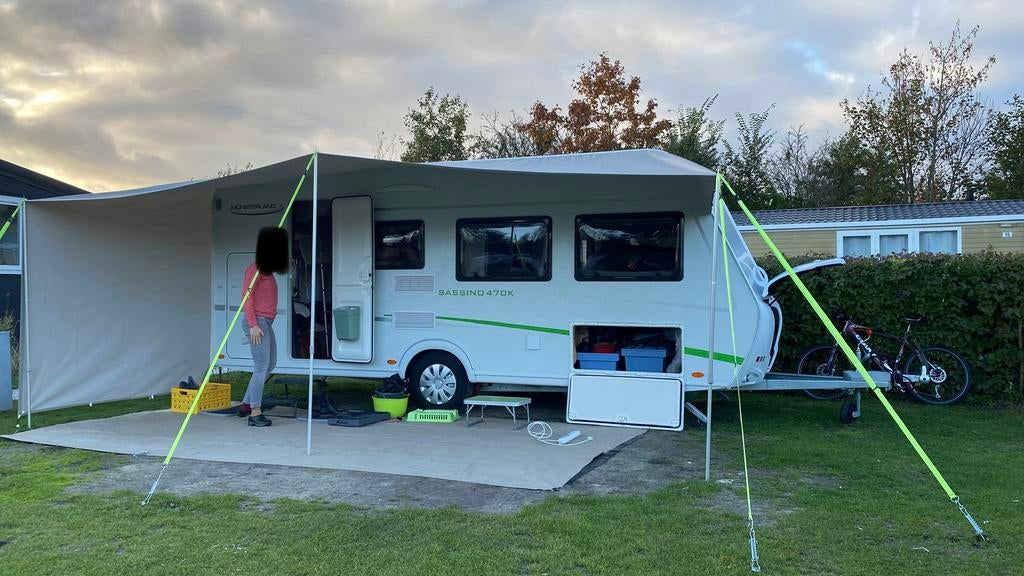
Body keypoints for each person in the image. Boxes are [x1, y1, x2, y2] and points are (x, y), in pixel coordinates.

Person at [237, 226, 289, 427]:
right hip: (257, 322)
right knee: (261, 367)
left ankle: (246, 403)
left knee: (271, 364)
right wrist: (253, 325)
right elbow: (246, 297)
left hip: (265, 322)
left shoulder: (267, 270)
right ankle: (255, 413)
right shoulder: (255, 269)